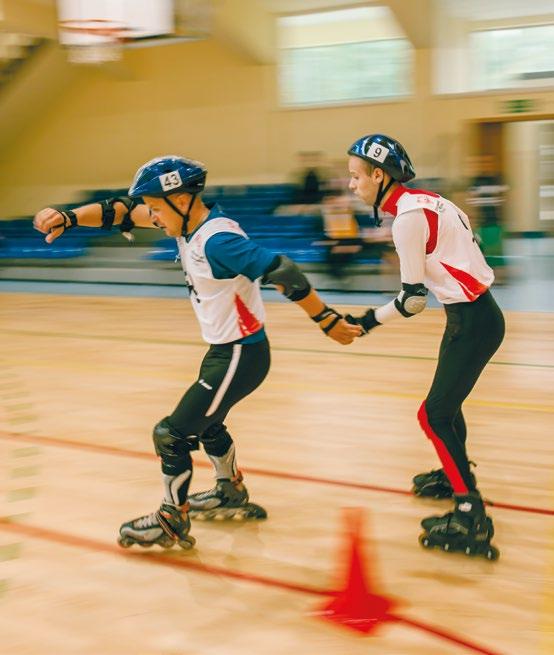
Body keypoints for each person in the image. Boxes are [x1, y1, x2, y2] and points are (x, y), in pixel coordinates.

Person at [33, 155, 361, 551]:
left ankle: (172, 518)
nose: (152, 218)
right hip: (227, 352)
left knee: (170, 435)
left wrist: (326, 320)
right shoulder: (187, 223)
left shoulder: (217, 240)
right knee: (207, 424)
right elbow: (119, 211)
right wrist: (66, 217)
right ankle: (229, 490)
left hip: (241, 356)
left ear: (182, 200)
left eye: (156, 208)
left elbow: (283, 270)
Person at [345, 135, 505, 560]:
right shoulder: (428, 199)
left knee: (433, 415)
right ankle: (454, 474)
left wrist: (367, 321)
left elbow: (413, 300)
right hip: (476, 315)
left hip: (471, 321)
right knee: (445, 410)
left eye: (356, 177)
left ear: (380, 176)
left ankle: (470, 513)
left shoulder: (406, 219)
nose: (351, 186)